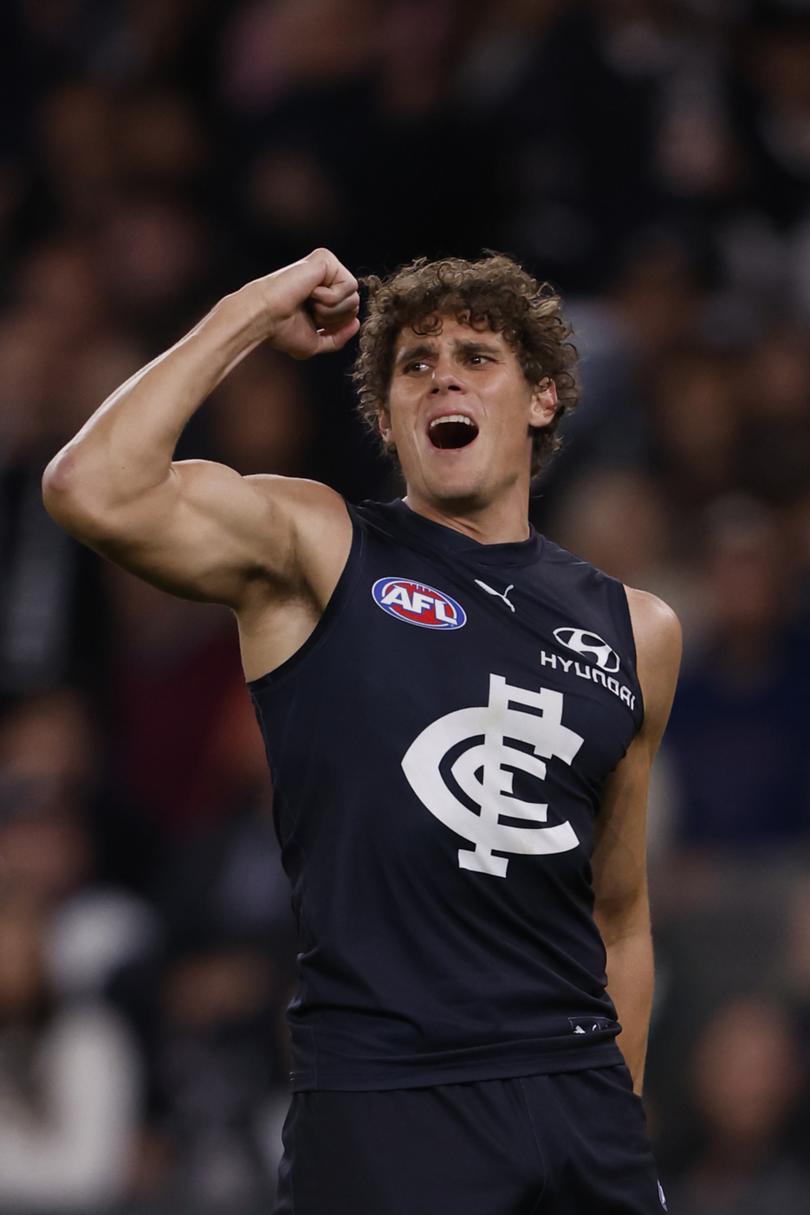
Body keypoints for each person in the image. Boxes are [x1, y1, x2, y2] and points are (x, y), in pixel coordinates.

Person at [42, 248, 681, 1213]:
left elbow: (621, 916)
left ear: (543, 399)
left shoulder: (638, 630)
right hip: (388, 1098)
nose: (444, 376)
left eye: (477, 355)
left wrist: (611, 1119)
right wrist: (250, 309)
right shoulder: (319, 546)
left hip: (577, 1108)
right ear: (386, 420)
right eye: (414, 364)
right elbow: (92, 487)